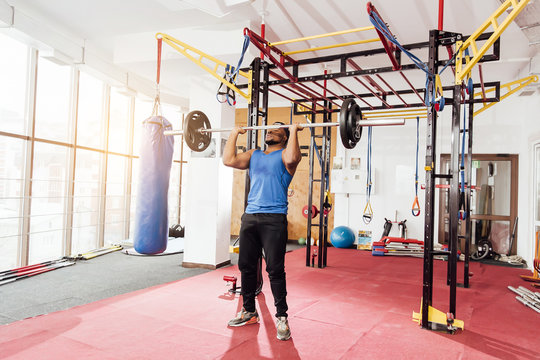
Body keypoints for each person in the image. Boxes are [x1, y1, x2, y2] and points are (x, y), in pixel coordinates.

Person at [222, 121, 303, 341]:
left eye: (277, 128)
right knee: (246, 266)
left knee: (275, 270)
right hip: (250, 216)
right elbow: (228, 160)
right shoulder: (254, 155)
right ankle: (249, 311)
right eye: (269, 128)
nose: (270, 130)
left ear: (285, 136)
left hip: (274, 219)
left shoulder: (287, 156)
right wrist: (233, 134)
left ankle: (282, 316)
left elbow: (293, 158)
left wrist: (294, 130)